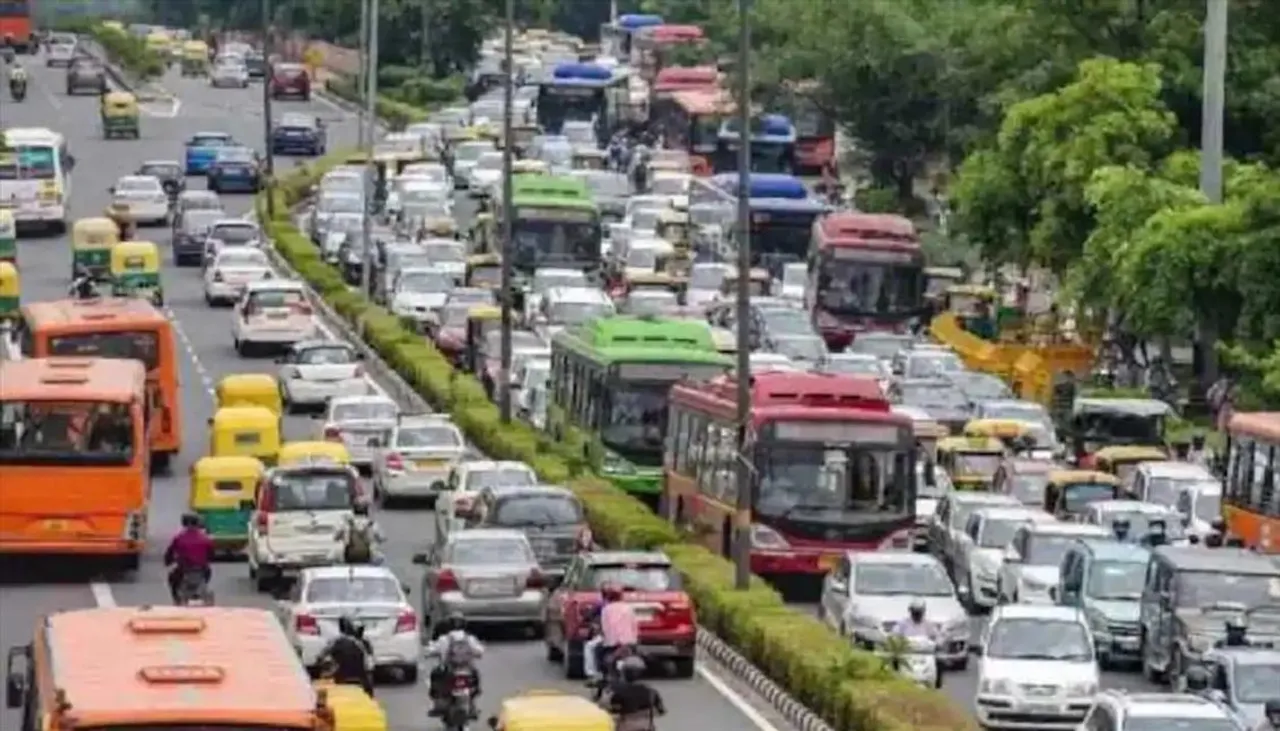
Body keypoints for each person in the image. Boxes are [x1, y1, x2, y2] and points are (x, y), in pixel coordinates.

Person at [425, 612, 484, 717]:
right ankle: (473, 705)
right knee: (475, 680)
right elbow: (480, 651)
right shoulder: (469, 638)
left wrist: (429, 652)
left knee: (435, 676)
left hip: (449, 670)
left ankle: (437, 705)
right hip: (467, 670)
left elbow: (431, 650)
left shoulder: (444, 639)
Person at [585, 582, 640, 684]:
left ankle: (597, 674)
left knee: (594, 650)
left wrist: (605, 639)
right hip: (630, 642)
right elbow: (634, 625)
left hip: (612, 642)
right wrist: (634, 639)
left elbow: (605, 627)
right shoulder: (629, 608)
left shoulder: (606, 609)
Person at [163, 514, 214, 604]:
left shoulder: (179, 538)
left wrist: (168, 561)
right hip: (202, 570)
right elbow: (211, 555)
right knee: (208, 574)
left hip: (184, 570)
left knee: (172, 579)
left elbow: (169, 554)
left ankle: (176, 600)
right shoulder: (205, 539)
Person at [607, 656, 666, 731]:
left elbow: (607, 710)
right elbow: (660, 711)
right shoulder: (651, 692)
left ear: (624, 672)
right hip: (646, 727)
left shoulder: (617, 692)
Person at [319, 616, 374, 695]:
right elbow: (370, 665)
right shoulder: (365, 644)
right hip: (362, 681)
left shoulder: (336, 642)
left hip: (341, 680)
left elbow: (321, 657)